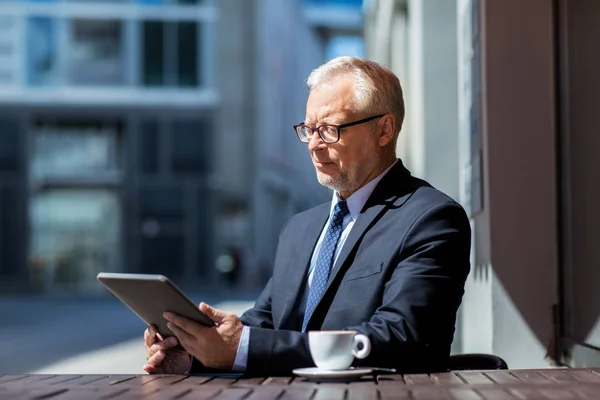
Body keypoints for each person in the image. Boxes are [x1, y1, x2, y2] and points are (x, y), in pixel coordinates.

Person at [143, 56, 471, 376]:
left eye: (329, 129)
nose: (313, 144)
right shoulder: (300, 228)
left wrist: (243, 346)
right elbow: (265, 325)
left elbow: (403, 339)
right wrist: (195, 352)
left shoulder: (431, 220)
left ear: (384, 130)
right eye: (309, 129)